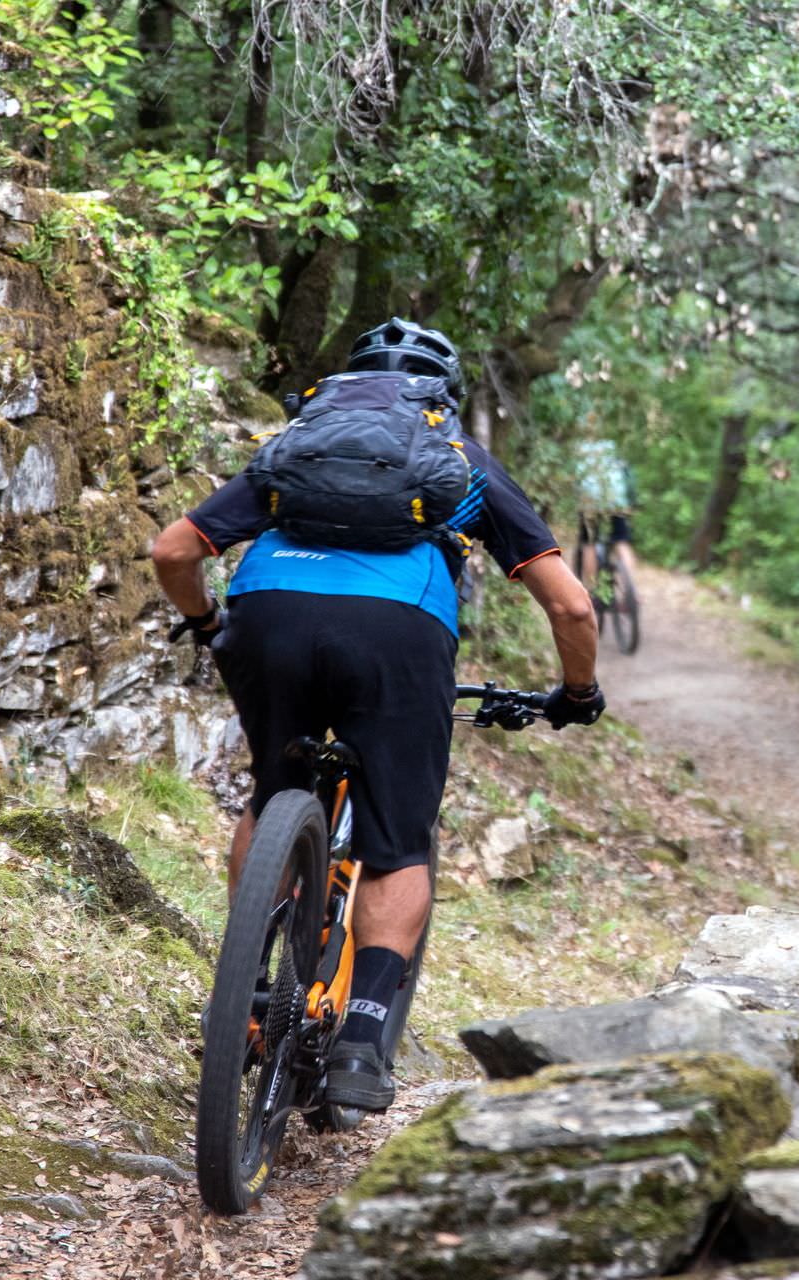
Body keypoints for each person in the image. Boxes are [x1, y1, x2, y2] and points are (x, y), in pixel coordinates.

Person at [149, 317, 603, 1112]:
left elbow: (173, 553)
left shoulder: (299, 442)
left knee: (270, 790)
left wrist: (207, 624)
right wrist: (577, 693)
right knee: (397, 845)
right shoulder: (459, 458)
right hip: (398, 633)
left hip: (269, 614)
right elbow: (569, 606)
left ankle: (248, 989)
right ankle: (361, 1040)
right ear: (443, 395)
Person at [573, 437, 638, 588]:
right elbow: (627, 477)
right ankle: (630, 589)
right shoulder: (611, 448)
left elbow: (577, 482)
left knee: (589, 543)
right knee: (622, 541)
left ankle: (591, 588)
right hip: (617, 502)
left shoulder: (581, 450)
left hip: (590, 503)